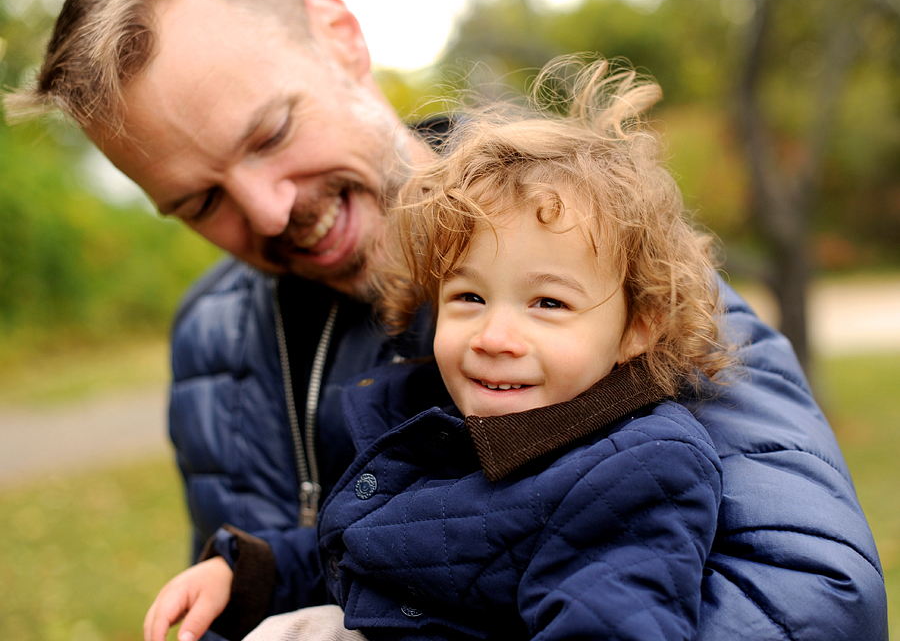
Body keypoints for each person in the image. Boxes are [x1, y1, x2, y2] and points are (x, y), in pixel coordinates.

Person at [5, 0, 887, 640]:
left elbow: (817, 599)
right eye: (200, 204)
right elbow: (340, 548)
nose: (269, 211)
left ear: (341, 38)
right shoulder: (210, 339)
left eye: (270, 133)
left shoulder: (591, 251)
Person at [145, 59, 735, 641]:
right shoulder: (439, 425)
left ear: (639, 327)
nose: (494, 336)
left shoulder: (633, 468)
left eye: (548, 304)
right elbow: (356, 544)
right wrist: (246, 573)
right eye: (470, 296)